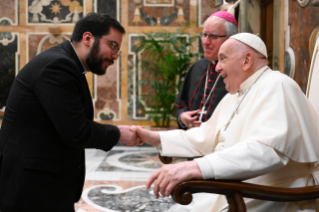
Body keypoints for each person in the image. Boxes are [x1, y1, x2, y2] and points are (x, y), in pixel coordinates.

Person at [131, 33, 319, 211]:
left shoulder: (278, 84)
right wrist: (153, 137)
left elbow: (267, 150)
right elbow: (204, 137)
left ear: (246, 60)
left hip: (274, 194)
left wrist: (195, 167)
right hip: (237, 190)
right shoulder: (235, 95)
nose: (217, 67)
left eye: (223, 59)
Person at [0, 13, 140, 212]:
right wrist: (118, 134)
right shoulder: (58, 66)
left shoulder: (65, 62)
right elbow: (76, 131)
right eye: (113, 46)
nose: (115, 55)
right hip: (30, 189)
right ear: (88, 38)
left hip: (40, 185)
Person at [175, 11, 237, 129]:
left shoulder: (240, 72)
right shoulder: (197, 67)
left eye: (213, 36)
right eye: (204, 35)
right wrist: (182, 117)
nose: (205, 42)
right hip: (192, 141)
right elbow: (181, 106)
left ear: (230, 39)